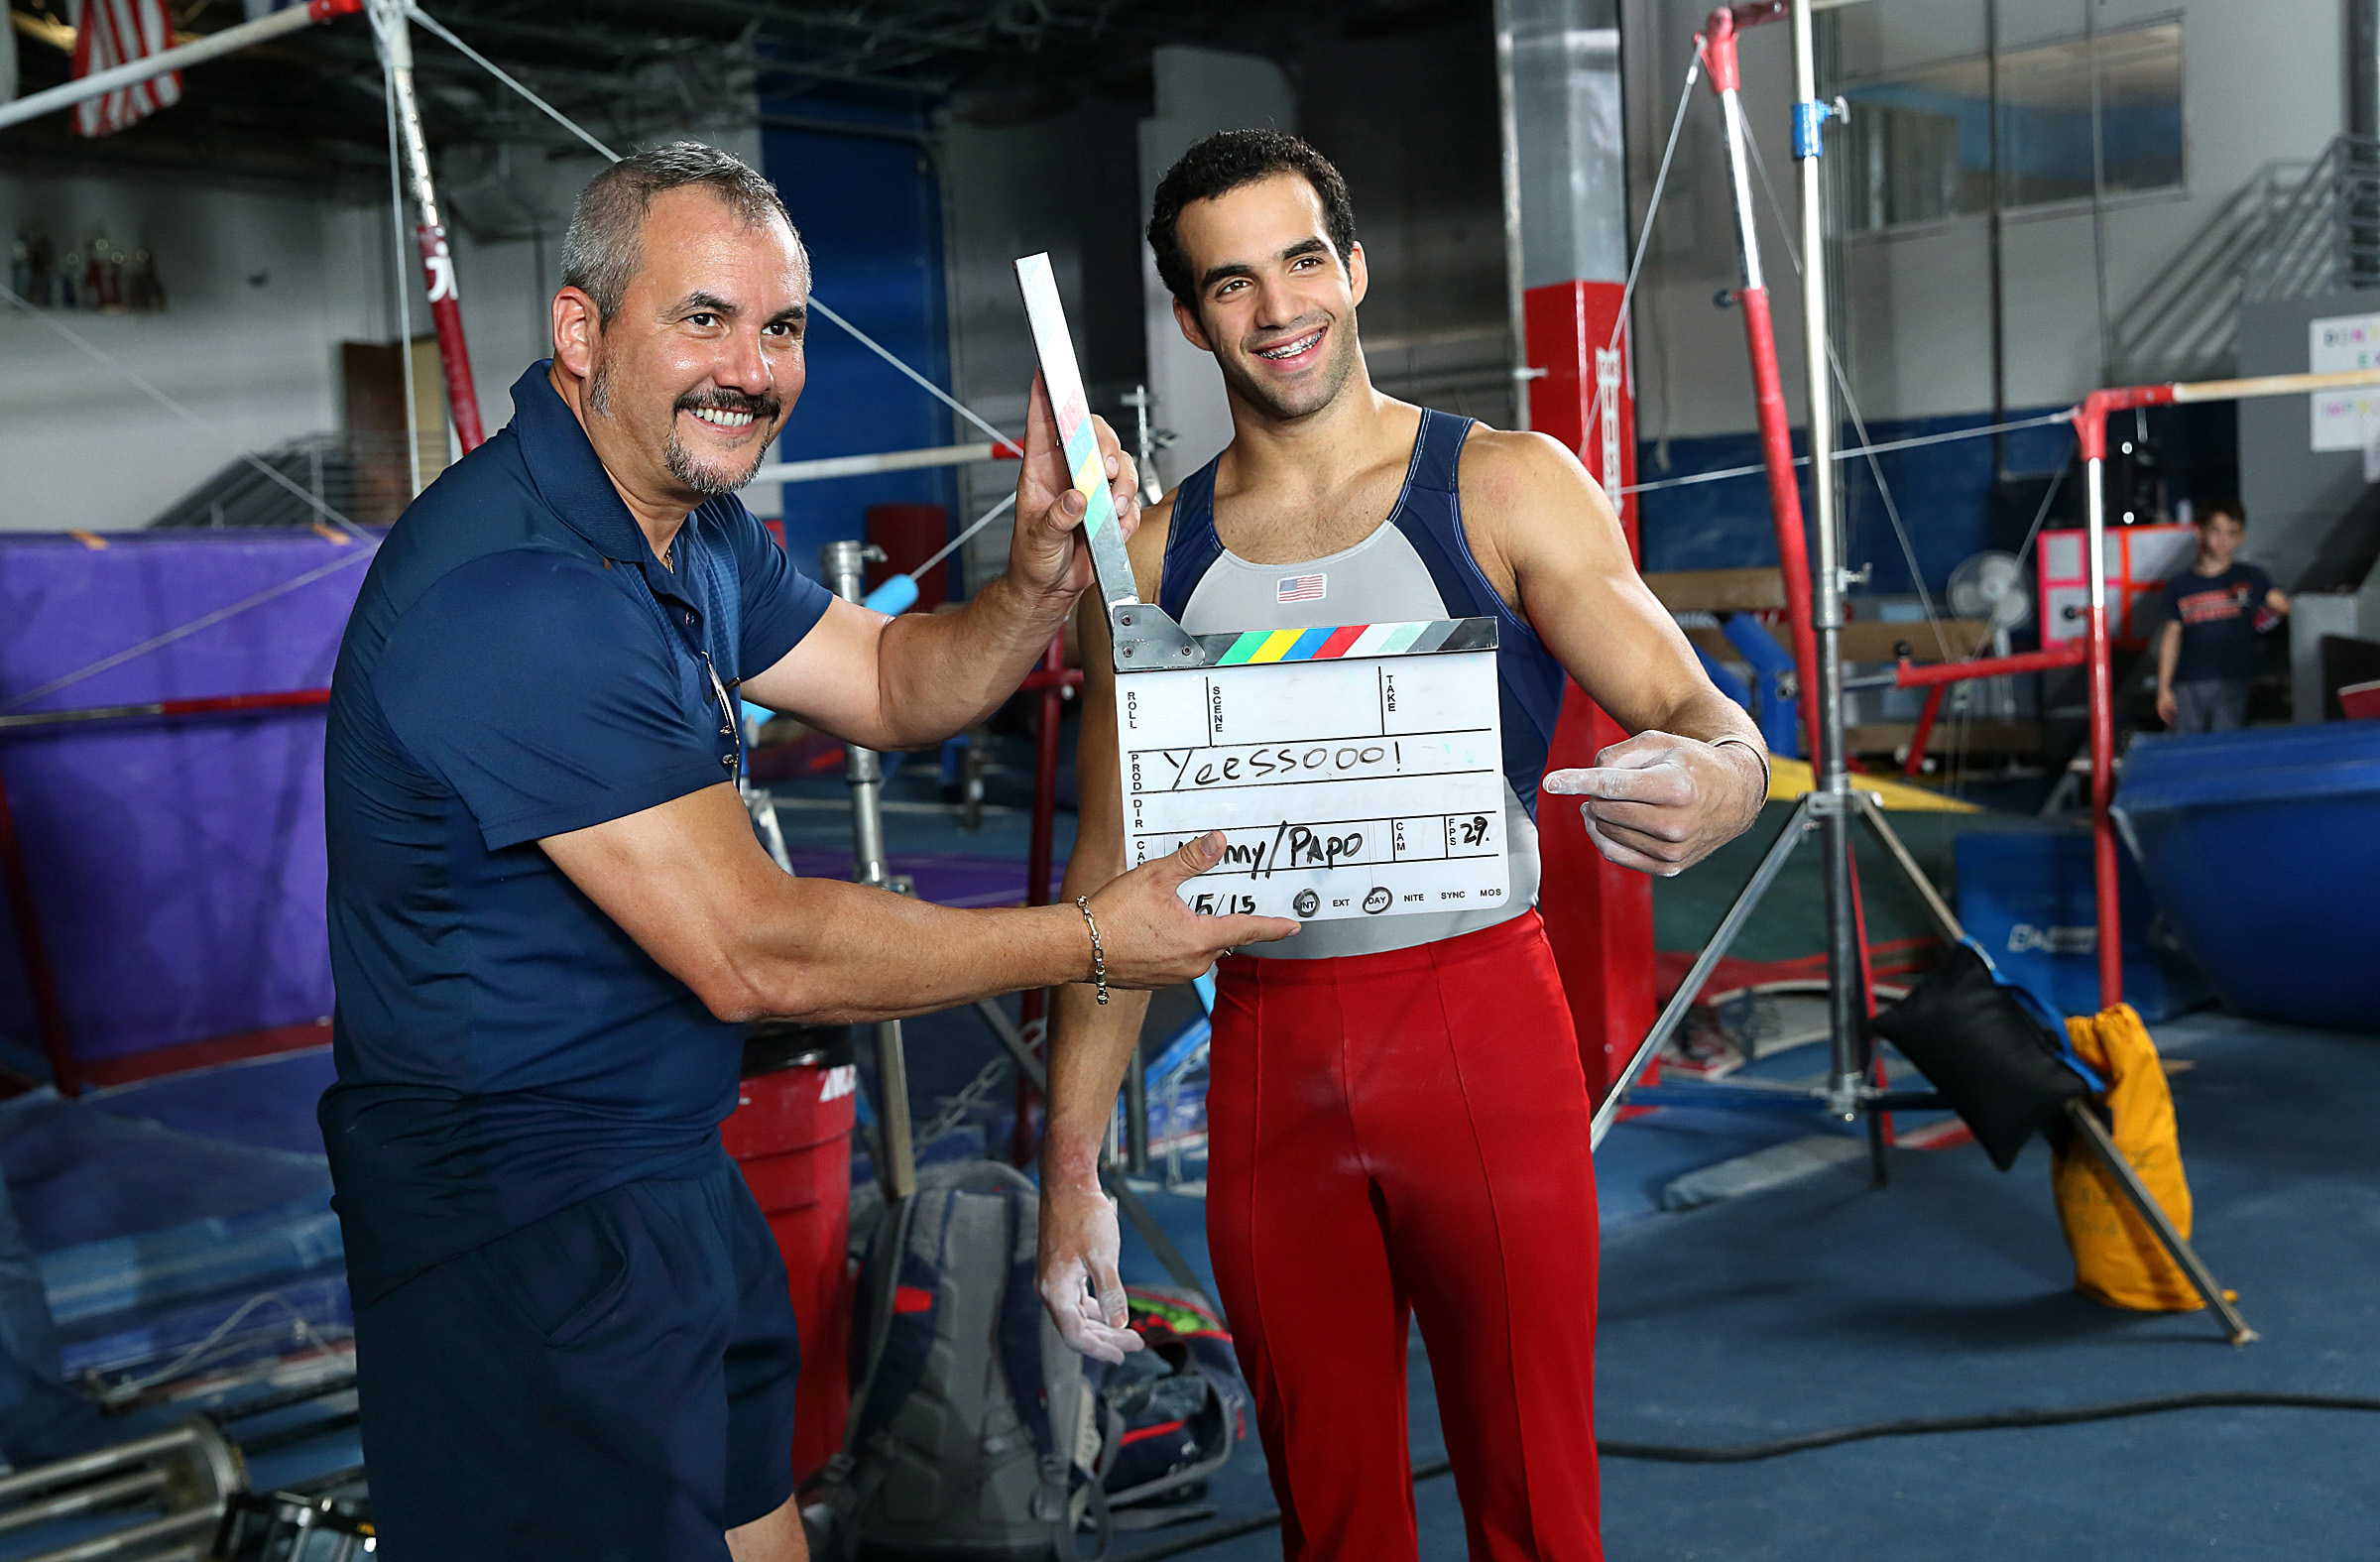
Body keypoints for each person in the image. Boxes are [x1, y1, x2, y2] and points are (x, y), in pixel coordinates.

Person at [319, 142, 1294, 1562]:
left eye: (779, 328)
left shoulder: (689, 528)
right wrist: (1092, 940)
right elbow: (755, 952)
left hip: (664, 1165)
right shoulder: (519, 594)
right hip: (518, 1226)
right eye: (703, 318)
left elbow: (895, 682)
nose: (751, 369)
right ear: (583, 331)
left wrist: (1034, 574)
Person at [1035, 130, 1768, 1562]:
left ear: (1355, 267)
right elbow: (1108, 880)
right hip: (1269, 1055)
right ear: (1189, 318)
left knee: (1537, 1496)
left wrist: (1727, 777)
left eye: (1303, 259)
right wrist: (1073, 1173)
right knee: (1331, 1511)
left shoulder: (1507, 485)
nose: (1279, 308)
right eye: (1232, 282)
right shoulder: (1153, 563)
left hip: (1480, 1033)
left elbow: (1699, 710)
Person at [2153, 499, 2289, 734]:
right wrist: (2163, 688)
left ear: (2241, 537)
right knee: (2189, 747)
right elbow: (2171, 636)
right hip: (2189, 682)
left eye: (2231, 533)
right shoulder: (2180, 585)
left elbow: (2284, 607)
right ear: (2200, 532)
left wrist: (2270, 617)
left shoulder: (2250, 577)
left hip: (2235, 681)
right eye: (2216, 530)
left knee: (2228, 745)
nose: (2223, 539)